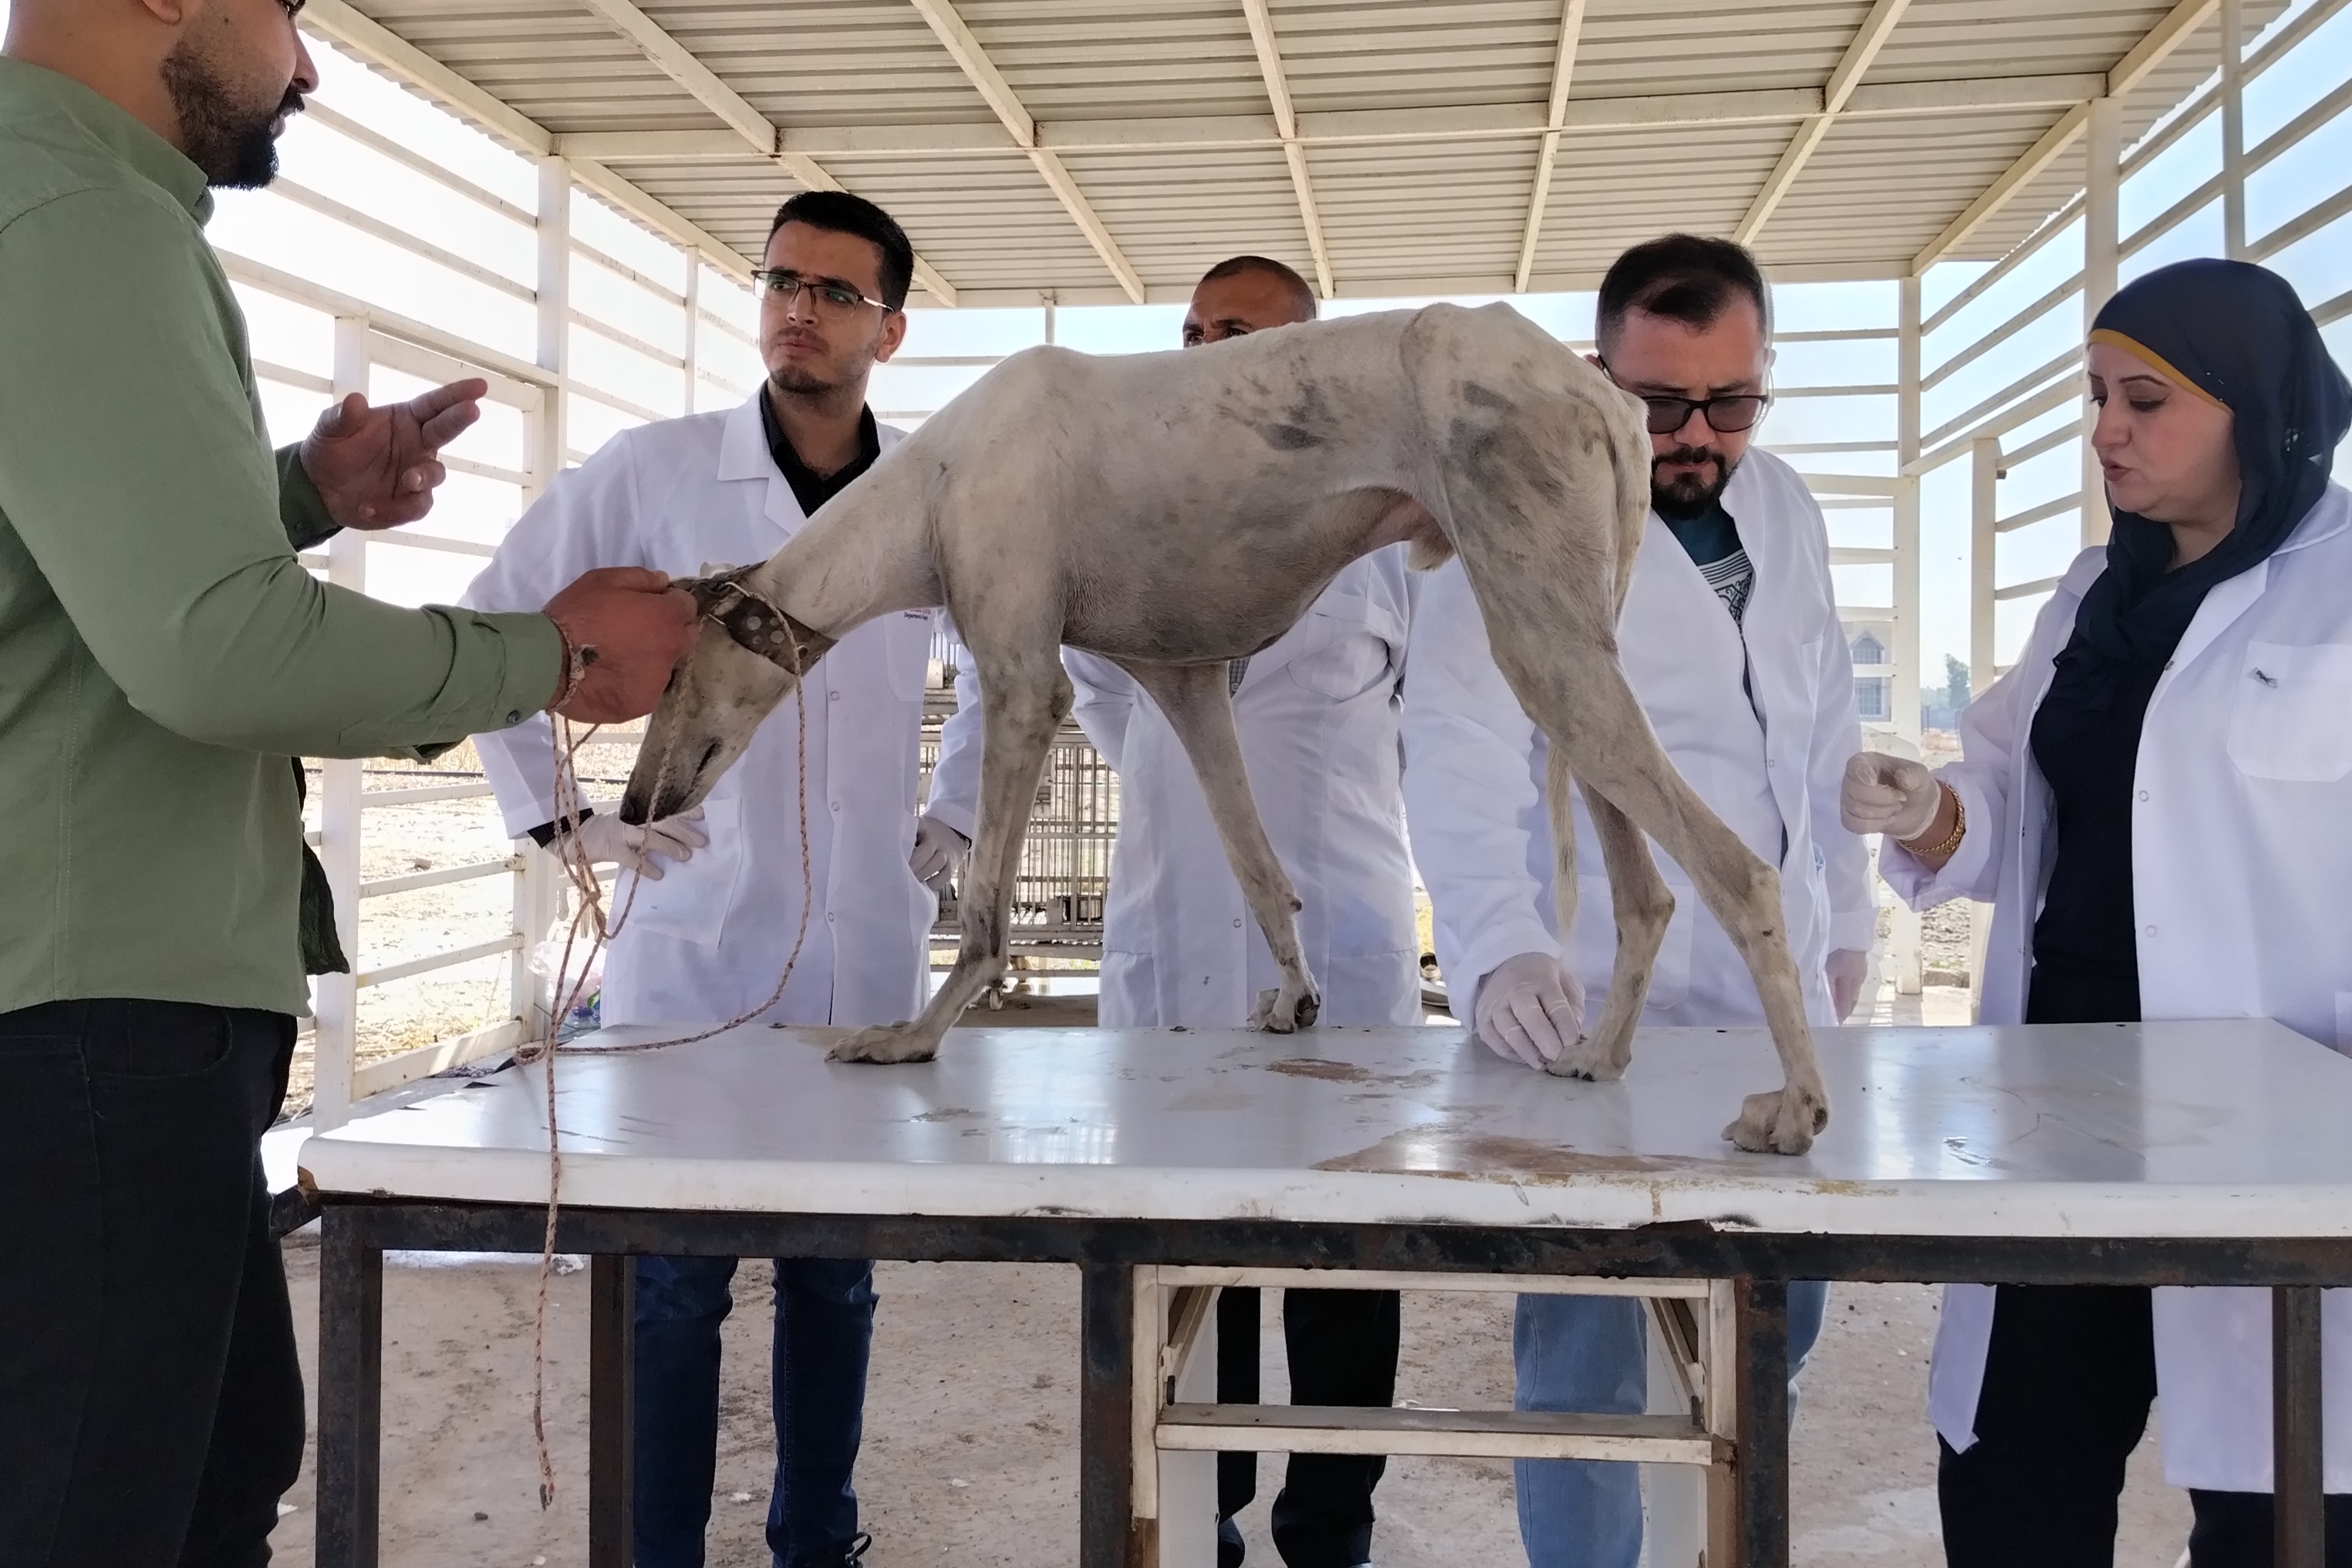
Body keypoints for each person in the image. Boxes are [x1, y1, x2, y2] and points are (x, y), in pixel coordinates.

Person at [0, 2, 697, 1563]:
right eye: (292, 9)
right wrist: (550, 653)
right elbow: (214, 648)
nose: (305, 65)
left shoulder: (48, 198)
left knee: (213, 1466)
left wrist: (298, 497)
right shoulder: (75, 215)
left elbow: (73, 578)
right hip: (88, 1019)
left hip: (88, 1002)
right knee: (103, 1509)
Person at [465, 189, 977, 1568]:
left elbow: (1009, 653)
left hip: (864, 948)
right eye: (780, 281)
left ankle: (818, 1537)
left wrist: (958, 808)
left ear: (889, 329)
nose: (798, 309)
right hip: (690, 943)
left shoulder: (932, 493)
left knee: (834, 1276)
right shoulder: (657, 470)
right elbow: (491, 623)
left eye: (834, 291)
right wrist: (560, 820)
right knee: (673, 1285)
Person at [1845, 258, 2352, 1568]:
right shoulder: (2087, 592)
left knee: (2282, 1499)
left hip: (2277, 1108)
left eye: (2145, 400)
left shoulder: (2343, 583)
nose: (2105, 429)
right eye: (2095, 395)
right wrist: (1928, 812)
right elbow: (2013, 795)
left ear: (2255, 407)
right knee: (2016, 1461)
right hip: (2064, 1093)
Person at [1402, 234, 1868, 1568]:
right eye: (1658, 404)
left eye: (1730, 401)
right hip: (1594, 998)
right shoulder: (1517, 510)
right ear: (1594, 376)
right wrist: (1497, 945)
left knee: (1771, 1334)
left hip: (1774, 1003)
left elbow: (1817, 721)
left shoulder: (1784, 506)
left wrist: (1841, 919)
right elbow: (1457, 738)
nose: (1695, 436)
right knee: (1586, 1368)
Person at [1098, 255, 1427, 1568]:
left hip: (1339, 946)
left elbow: (1444, 720)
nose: (1201, 350)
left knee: (1345, 1269)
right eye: (1190, 330)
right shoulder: (1121, 516)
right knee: (1193, 1272)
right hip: (1176, 946)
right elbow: (1100, 690)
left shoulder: (1390, 527)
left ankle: (1329, 1529)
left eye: (1233, 331)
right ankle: (1206, 1525)